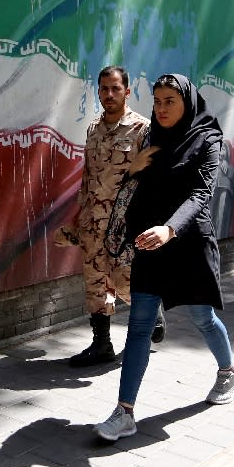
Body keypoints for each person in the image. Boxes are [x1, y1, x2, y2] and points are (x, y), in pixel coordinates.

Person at [94, 73, 234, 441]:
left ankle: (228, 370)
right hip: (150, 242)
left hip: (188, 242)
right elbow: (131, 184)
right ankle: (124, 411)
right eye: (156, 101)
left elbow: (201, 193)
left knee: (202, 317)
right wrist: (134, 171)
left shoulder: (208, 138)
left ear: (187, 102)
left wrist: (170, 229)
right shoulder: (151, 136)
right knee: (140, 325)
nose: (160, 108)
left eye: (169, 102)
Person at [57, 66, 163, 368]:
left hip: (125, 223)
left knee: (124, 279)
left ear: (127, 92)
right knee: (95, 283)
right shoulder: (93, 129)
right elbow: (88, 177)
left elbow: (152, 179)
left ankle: (152, 310)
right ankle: (101, 344)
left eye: (115, 88)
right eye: (103, 89)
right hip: (93, 221)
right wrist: (79, 216)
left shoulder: (143, 130)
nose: (109, 95)